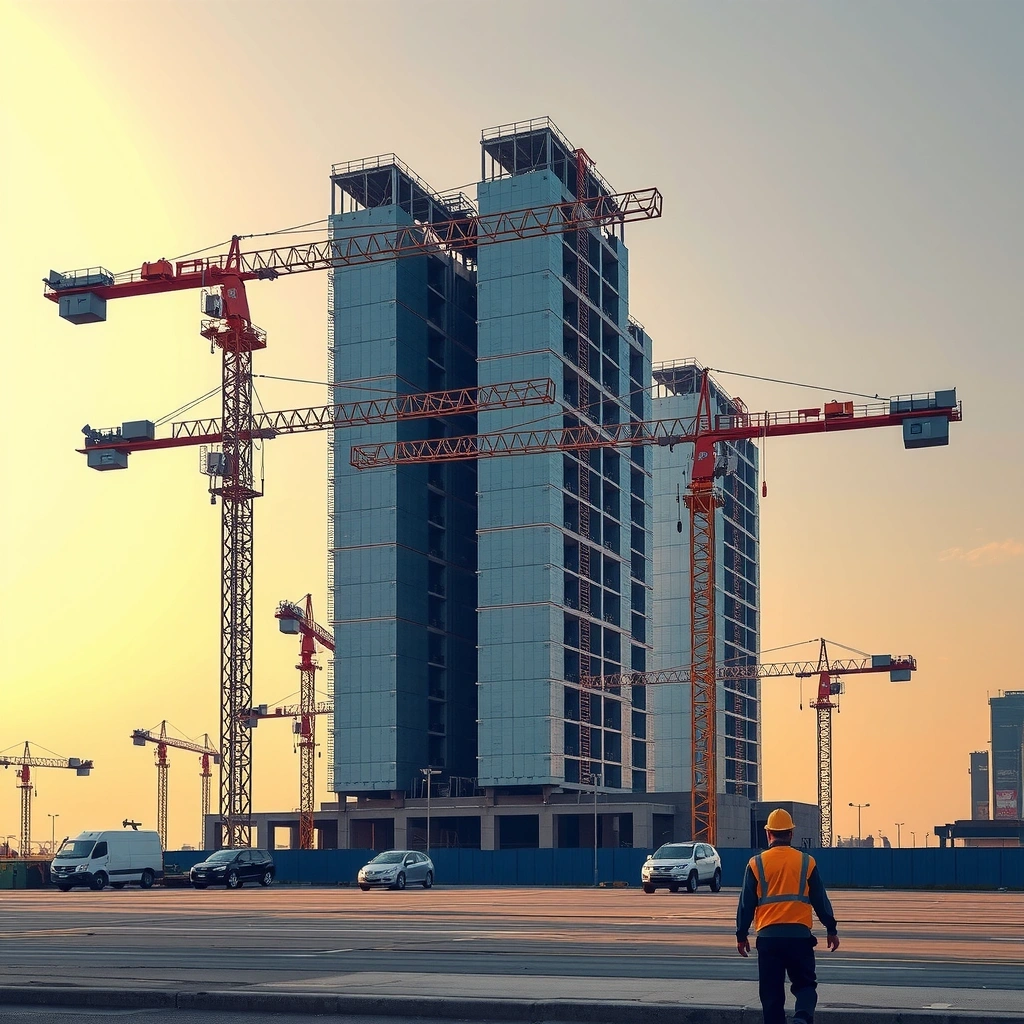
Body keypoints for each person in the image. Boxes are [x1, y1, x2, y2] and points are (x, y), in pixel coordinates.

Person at [736, 808, 840, 1024]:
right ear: (791, 834)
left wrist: (741, 934)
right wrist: (831, 929)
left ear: (768, 834)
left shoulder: (756, 863)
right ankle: (801, 1019)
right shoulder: (806, 862)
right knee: (805, 987)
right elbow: (820, 899)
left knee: (771, 995)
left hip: (768, 940)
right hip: (799, 939)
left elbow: (746, 903)